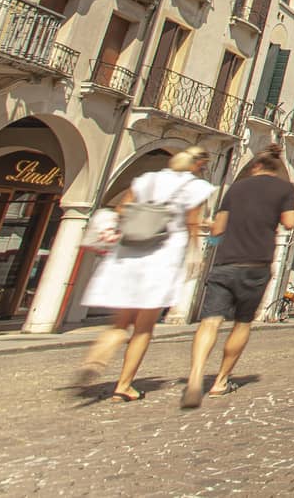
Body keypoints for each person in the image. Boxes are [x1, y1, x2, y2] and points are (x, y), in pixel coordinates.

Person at [77, 147, 214, 403]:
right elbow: (192, 223)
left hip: (129, 252)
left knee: (120, 323)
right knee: (143, 328)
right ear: (198, 165)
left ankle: (97, 357)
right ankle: (124, 386)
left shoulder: (146, 180)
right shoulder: (195, 188)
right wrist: (195, 253)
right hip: (162, 256)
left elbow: (121, 210)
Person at [181, 146, 294, 409]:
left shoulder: (236, 188)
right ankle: (221, 380)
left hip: (225, 261)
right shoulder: (285, 189)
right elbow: (289, 223)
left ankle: (196, 376)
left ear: (255, 167)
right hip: (256, 263)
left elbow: (218, 229)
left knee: (209, 323)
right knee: (242, 324)